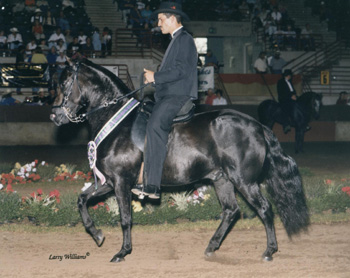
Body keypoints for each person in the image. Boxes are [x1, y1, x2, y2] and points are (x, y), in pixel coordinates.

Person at [131, 2, 198, 199]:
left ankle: (152, 185)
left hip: (178, 96)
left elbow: (181, 71)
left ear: (171, 18)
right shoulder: (175, 40)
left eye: (161, 19)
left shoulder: (184, 40)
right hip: (168, 94)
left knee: (155, 126)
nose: (158, 24)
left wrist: (156, 77)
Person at [277, 69, 297, 134]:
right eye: (290, 75)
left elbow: (293, 90)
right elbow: (281, 92)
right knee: (286, 108)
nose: (291, 77)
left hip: (292, 97)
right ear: (288, 75)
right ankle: (285, 125)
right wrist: (290, 96)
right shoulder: (280, 82)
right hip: (284, 98)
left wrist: (294, 95)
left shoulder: (290, 82)